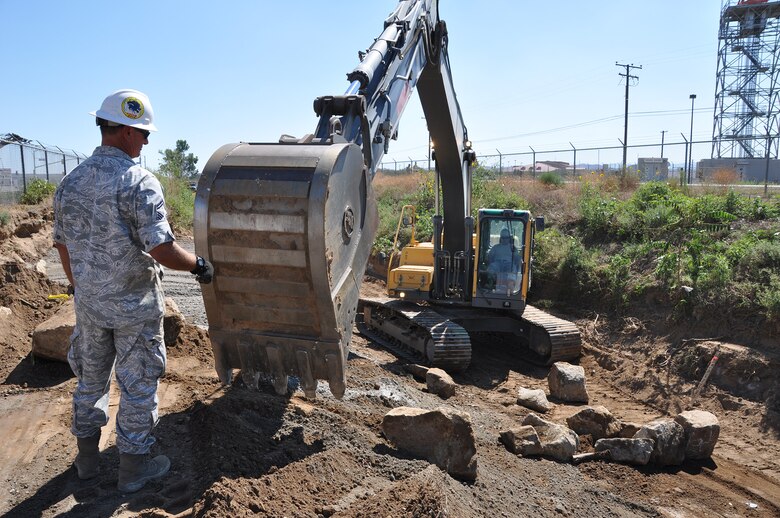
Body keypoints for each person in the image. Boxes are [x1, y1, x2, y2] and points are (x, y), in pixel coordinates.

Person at [52, 89, 214, 493]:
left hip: (90, 307)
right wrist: (198, 265)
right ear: (125, 132)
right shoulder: (139, 182)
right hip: (134, 310)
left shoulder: (70, 183)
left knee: (90, 382)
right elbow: (160, 248)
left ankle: (87, 462)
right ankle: (133, 472)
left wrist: (81, 287)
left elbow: (61, 245)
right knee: (138, 385)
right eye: (143, 134)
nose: (146, 142)